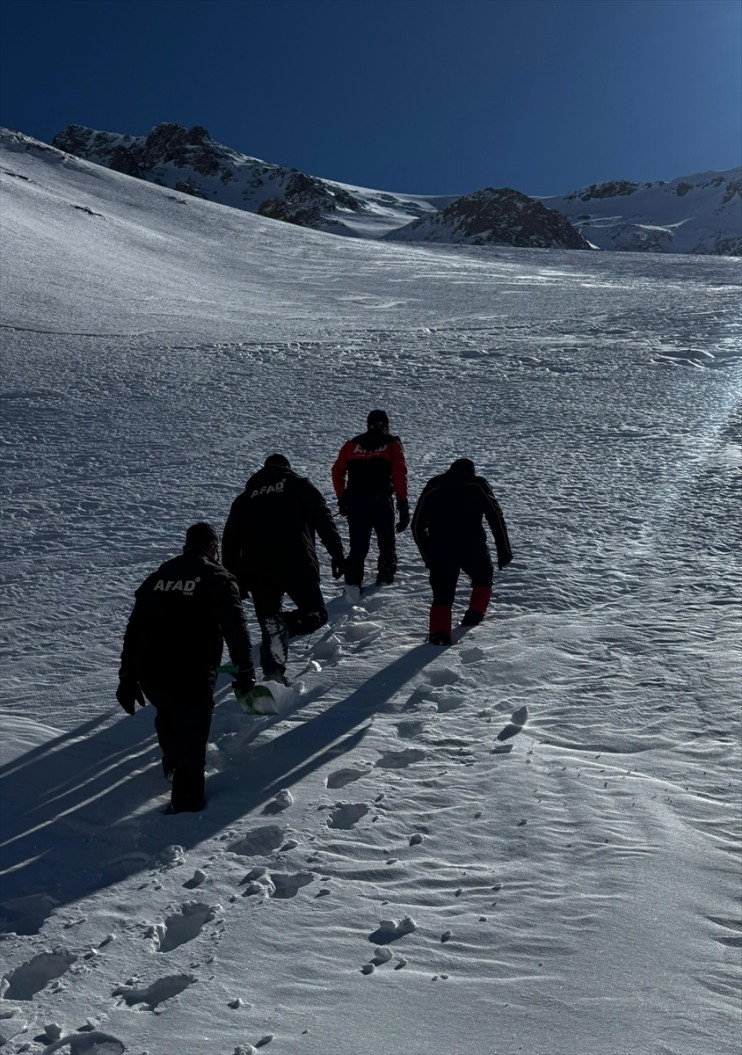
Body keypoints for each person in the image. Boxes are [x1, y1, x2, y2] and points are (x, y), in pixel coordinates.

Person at [116, 522, 256, 814]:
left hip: (150, 671)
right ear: (214, 549)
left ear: (185, 547)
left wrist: (128, 676)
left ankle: (172, 765)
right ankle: (184, 813)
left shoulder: (158, 577)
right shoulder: (217, 576)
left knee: (167, 713)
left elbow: (134, 628)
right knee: (192, 740)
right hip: (192, 671)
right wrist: (245, 671)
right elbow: (235, 628)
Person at [222, 454, 345, 685]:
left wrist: (234, 579)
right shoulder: (299, 485)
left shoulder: (244, 498)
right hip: (296, 561)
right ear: (287, 468)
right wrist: (337, 553)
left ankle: (273, 675)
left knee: (270, 624)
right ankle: (285, 627)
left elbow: (229, 542)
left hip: (256, 569)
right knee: (316, 613)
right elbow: (323, 518)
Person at [411, 458, 512, 645]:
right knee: (483, 576)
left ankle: (439, 635)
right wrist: (503, 549)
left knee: (442, 594)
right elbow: (495, 516)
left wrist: (427, 555)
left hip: (440, 548)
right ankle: (475, 614)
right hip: (472, 546)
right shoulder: (477, 484)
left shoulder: (435, 484)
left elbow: (417, 525)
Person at [331, 409, 409, 590]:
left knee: (358, 547)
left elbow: (337, 472)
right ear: (387, 425)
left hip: (356, 504)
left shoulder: (352, 445)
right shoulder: (391, 443)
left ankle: (352, 585)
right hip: (381, 501)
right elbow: (399, 474)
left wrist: (342, 498)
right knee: (386, 544)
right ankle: (384, 583)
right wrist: (403, 504)